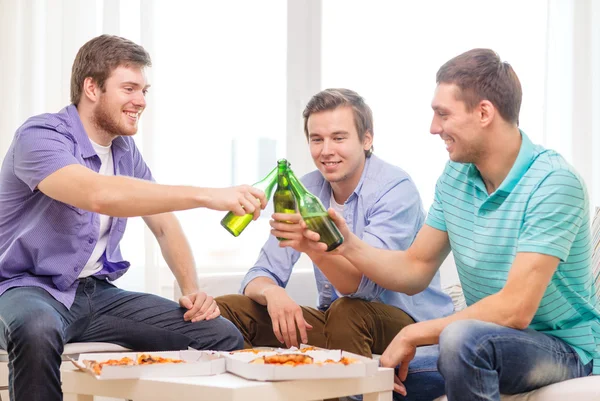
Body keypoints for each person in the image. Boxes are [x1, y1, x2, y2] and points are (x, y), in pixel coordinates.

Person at [300, 49, 599, 400]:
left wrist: (414, 334)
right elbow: (415, 268)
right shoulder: (456, 176)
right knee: (370, 377)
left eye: (443, 114)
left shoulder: (553, 183)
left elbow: (515, 309)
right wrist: (344, 243)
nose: (433, 128)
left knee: (461, 338)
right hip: (485, 341)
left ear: (484, 112)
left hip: (563, 349)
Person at [0, 34, 267, 401]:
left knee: (219, 335)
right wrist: (208, 196)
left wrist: (192, 291)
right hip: (25, 288)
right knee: (37, 328)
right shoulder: (40, 137)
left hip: (96, 294)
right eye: (129, 88)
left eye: (144, 90)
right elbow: (99, 194)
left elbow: (163, 222)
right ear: (91, 88)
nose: (140, 101)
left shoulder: (124, 150)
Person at [216, 89, 453, 364]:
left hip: (405, 324)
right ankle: (266, 385)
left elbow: (362, 289)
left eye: (338, 138)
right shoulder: (304, 188)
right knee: (230, 310)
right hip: (338, 322)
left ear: (367, 139)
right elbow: (261, 272)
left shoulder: (394, 188)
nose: (326, 150)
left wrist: (312, 249)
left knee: (348, 311)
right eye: (317, 139)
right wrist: (273, 292)